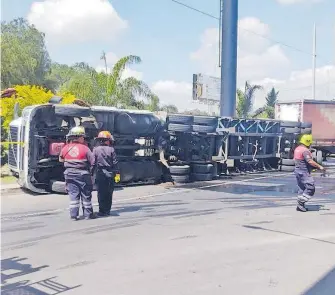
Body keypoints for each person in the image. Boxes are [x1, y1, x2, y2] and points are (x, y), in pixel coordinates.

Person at [59, 126, 96, 220]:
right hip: (83, 174)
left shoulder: (65, 148)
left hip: (69, 174)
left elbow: (61, 159)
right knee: (86, 194)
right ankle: (88, 215)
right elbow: (93, 162)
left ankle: (73, 216)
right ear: (79, 137)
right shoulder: (85, 148)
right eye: (82, 137)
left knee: (73, 195)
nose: (83, 138)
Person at [293, 134, 325, 212]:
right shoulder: (305, 151)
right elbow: (309, 161)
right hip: (303, 171)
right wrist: (319, 166)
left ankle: (300, 206)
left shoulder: (298, 148)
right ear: (308, 142)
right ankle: (301, 202)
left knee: (302, 188)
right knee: (311, 188)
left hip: (297, 170)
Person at [93, 131, 119, 217]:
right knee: (109, 193)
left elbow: (93, 163)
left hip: (100, 173)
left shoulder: (95, 149)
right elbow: (115, 163)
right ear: (107, 140)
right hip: (110, 173)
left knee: (101, 193)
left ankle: (102, 211)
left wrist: (91, 174)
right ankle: (107, 210)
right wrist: (117, 175)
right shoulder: (111, 149)